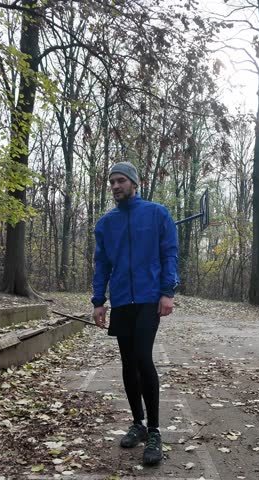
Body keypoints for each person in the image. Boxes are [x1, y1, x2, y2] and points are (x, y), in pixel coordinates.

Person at [91, 161, 179, 467]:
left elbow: (169, 253)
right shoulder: (105, 224)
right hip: (122, 301)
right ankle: (138, 424)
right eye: (112, 182)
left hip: (148, 298)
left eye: (121, 181)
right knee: (128, 362)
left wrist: (168, 292)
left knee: (143, 357)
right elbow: (102, 264)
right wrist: (98, 300)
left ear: (134, 183)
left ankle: (154, 431)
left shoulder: (157, 214)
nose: (116, 186)